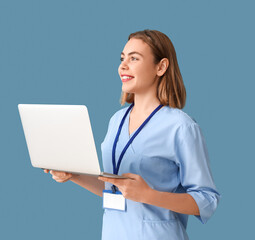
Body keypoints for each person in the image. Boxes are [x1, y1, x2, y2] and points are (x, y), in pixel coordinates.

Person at [44, 29, 221, 240]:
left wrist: (148, 195)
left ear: (161, 67)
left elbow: (206, 200)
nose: (123, 66)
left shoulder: (181, 127)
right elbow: (116, 190)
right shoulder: (116, 120)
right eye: (122, 58)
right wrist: (74, 175)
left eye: (134, 58)